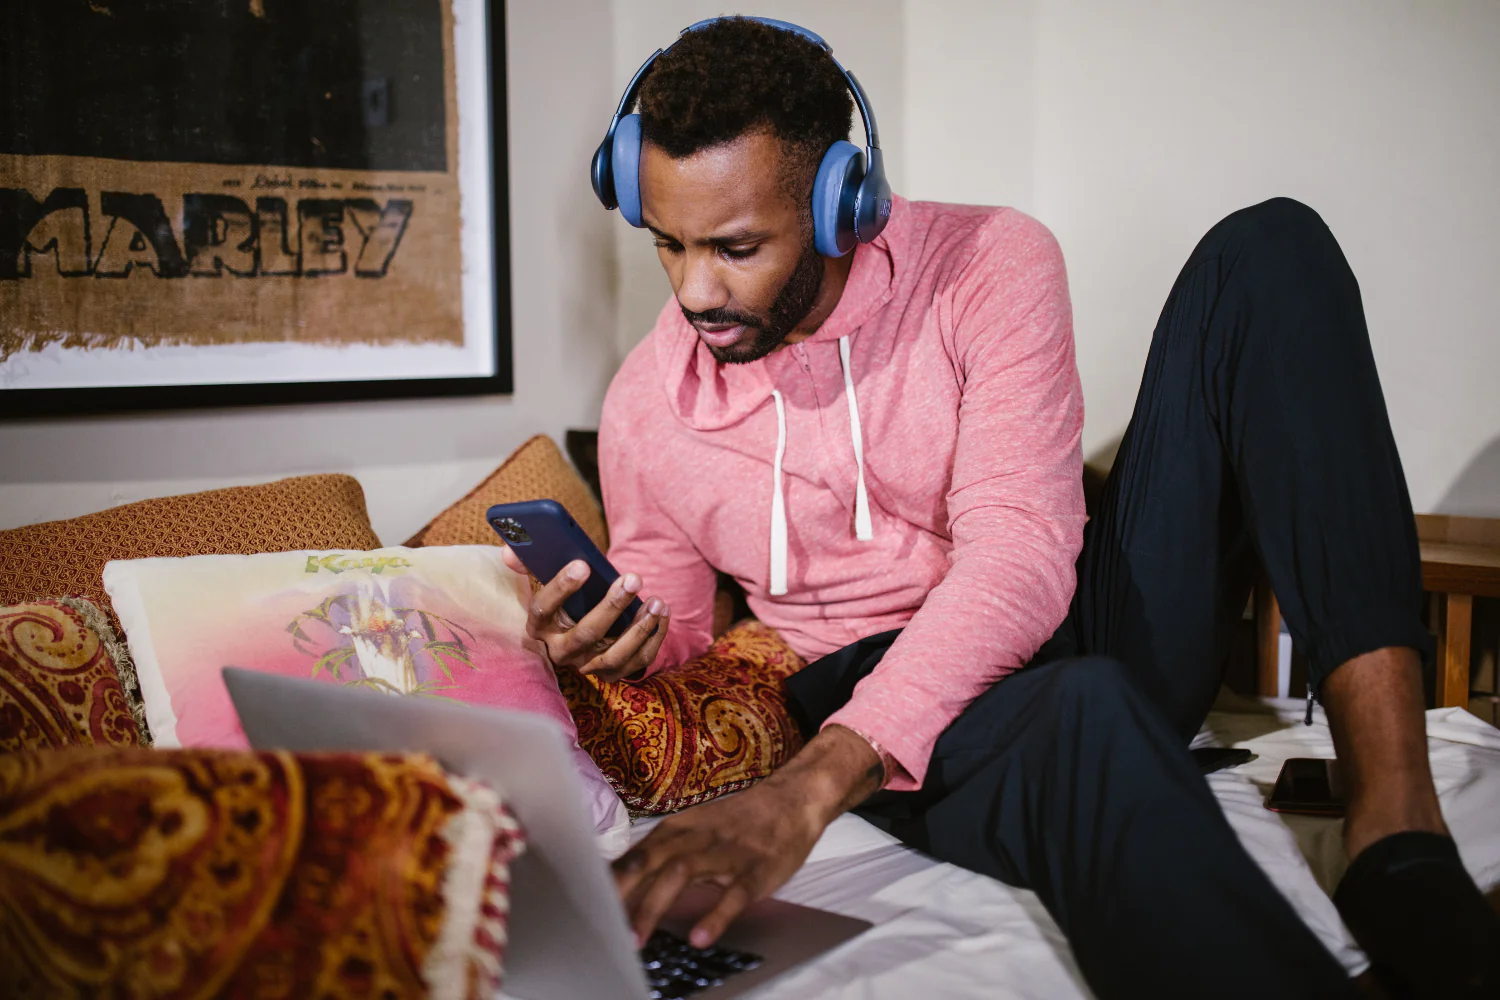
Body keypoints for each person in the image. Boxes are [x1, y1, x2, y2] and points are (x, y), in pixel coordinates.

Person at [501, 17, 1500, 999]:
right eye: (667, 244)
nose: (694, 290)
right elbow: (676, 629)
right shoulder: (646, 403)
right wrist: (612, 640)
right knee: (1082, 711)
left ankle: (1397, 822)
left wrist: (807, 788)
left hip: (1065, 614)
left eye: (735, 246)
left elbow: (1022, 554)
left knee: (1272, 247)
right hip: (877, 685)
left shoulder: (987, 262)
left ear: (840, 200)